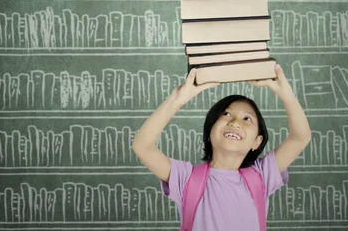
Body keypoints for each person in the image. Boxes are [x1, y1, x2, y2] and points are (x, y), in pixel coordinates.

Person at [132, 63, 312, 230]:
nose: (235, 122)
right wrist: (176, 100)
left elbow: (300, 137)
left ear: (256, 142)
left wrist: (286, 94)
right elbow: (142, 146)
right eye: (226, 114)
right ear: (210, 129)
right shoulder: (186, 178)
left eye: (247, 119)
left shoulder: (262, 175)